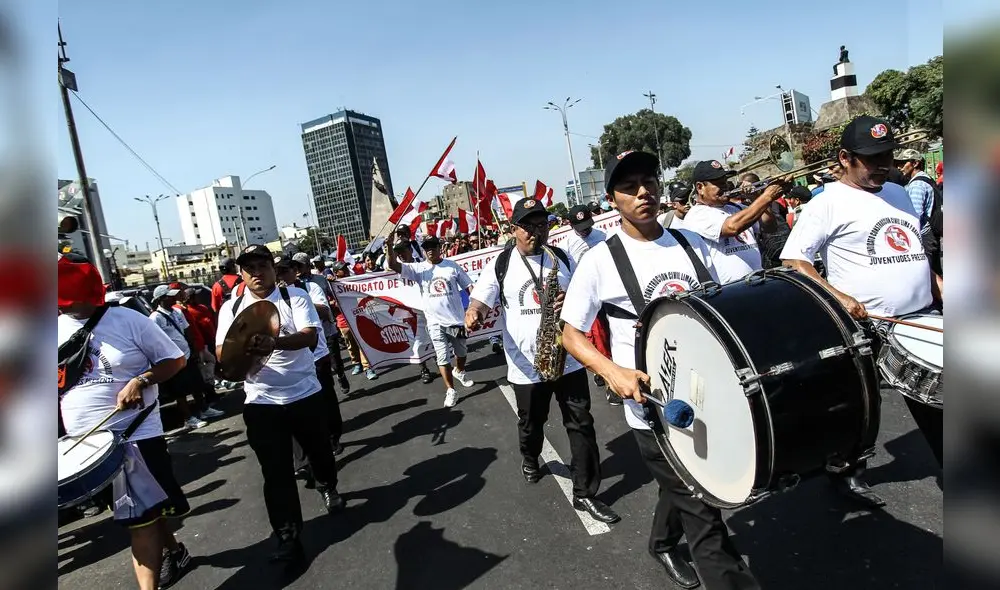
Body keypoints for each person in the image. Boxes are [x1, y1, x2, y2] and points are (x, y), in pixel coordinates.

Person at [560, 150, 759, 590]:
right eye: (629, 187)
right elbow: (569, 334)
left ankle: (662, 542)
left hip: (706, 393)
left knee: (685, 488)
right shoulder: (600, 260)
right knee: (704, 514)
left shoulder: (689, 243)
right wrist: (612, 371)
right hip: (652, 410)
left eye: (648, 181)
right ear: (612, 199)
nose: (643, 192)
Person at [781, 114, 943, 473]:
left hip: (919, 320)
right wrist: (837, 296)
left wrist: (939, 285)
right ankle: (846, 470)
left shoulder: (900, 193)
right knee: (861, 410)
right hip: (865, 329)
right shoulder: (827, 202)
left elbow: (911, 251)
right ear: (844, 158)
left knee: (939, 401)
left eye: (888, 155)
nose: (885, 165)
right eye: (873, 159)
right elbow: (794, 261)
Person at [465, 198, 619, 523]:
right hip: (526, 367)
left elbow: (586, 295)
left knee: (581, 424)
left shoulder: (560, 257)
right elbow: (479, 300)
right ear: (514, 229)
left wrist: (571, 299)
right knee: (531, 425)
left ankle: (585, 494)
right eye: (529, 226)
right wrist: (473, 313)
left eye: (542, 224)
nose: (537, 231)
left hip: (568, 359)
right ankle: (530, 456)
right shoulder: (502, 263)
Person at [58, 256, 194, 590]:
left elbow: (175, 360)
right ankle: (175, 552)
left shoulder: (128, 320)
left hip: (134, 435)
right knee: (143, 510)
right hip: (87, 447)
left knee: (139, 519)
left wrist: (142, 380)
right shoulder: (54, 326)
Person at [215, 245, 345, 563]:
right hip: (261, 400)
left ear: (273, 269)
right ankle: (287, 532)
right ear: (242, 275)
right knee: (275, 471)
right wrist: (244, 351)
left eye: (262, 266)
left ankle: (328, 483)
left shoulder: (294, 297)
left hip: (304, 393)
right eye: (250, 269)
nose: (257, 273)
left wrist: (275, 342)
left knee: (320, 453)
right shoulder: (231, 310)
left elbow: (310, 337)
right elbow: (222, 352)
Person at [387, 233, 474, 408]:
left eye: (433, 247)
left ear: (439, 248)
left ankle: (460, 370)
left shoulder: (452, 267)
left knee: (462, 353)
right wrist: (389, 247)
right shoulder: (419, 269)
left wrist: (474, 308)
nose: (429, 251)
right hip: (435, 323)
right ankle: (451, 390)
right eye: (426, 248)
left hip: (456, 320)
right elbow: (393, 265)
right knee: (442, 358)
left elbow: (469, 286)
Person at [274, 258, 345, 459]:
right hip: (292, 362)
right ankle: (302, 455)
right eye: (276, 271)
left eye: (284, 270)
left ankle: (333, 436)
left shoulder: (309, 287)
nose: (280, 275)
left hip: (317, 354)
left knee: (326, 400)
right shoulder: (273, 297)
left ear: (295, 271)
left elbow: (324, 310)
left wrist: (299, 299)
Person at [682, 160, 785, 283]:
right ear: (700, 187)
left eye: (725, 182)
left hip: (758, 281)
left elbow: (770, 226)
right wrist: (767, 196)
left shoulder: (736, 208)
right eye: (719, 184)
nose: (725, 186)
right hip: (729, 291)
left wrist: (756, 197)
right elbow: (732, 227)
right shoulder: (696, 214)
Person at [149, 285, 217, 428]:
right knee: (179, 391)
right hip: (172, 360)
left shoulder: (177, 312)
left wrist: (193, 350)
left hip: (187, 355)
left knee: (196, 384)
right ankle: (189, 419)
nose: (173, 298)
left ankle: (204, 409)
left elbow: (187, 331)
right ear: (161, 299)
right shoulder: (155, 318)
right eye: (169, 296)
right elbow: (155, 340)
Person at [292, 253, 350, 393]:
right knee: (318, 365)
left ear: (307, 265)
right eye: (295, 266)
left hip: (327, 328)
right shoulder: (291, 285)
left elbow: (335, 294)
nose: (297, 269)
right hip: (309, 331)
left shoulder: (321, 280)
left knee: (335, 360)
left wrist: (334, 282)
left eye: (300, 265)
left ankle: (341, 375)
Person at [392, 241, 438, 384]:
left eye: (403, 250)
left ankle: (440, 361)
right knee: (416, 342)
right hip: (408, 313)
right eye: (397, 252)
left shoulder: (422, 264)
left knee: (435, 337)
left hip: (427, 309)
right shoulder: (395, 269)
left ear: (410, 250)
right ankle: (424, 369)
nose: (400, 254)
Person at [330, 261, 378, 381]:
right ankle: (356, 363)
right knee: (350, 344)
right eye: (342, 269)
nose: (345, 270)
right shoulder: (330, 285)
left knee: (362, 341)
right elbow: (328, 301)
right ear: (336, 272)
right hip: (342, 320)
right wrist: (335, 302)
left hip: (357, 316)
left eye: (346, 268)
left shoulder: (353, 281)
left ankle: (367, 367)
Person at [894, 148, 939, 232]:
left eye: (903, 163)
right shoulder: (926, 178)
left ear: (915, 163)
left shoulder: (917, 185)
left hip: (923, 233)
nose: (899, 167)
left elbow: (915, 215)